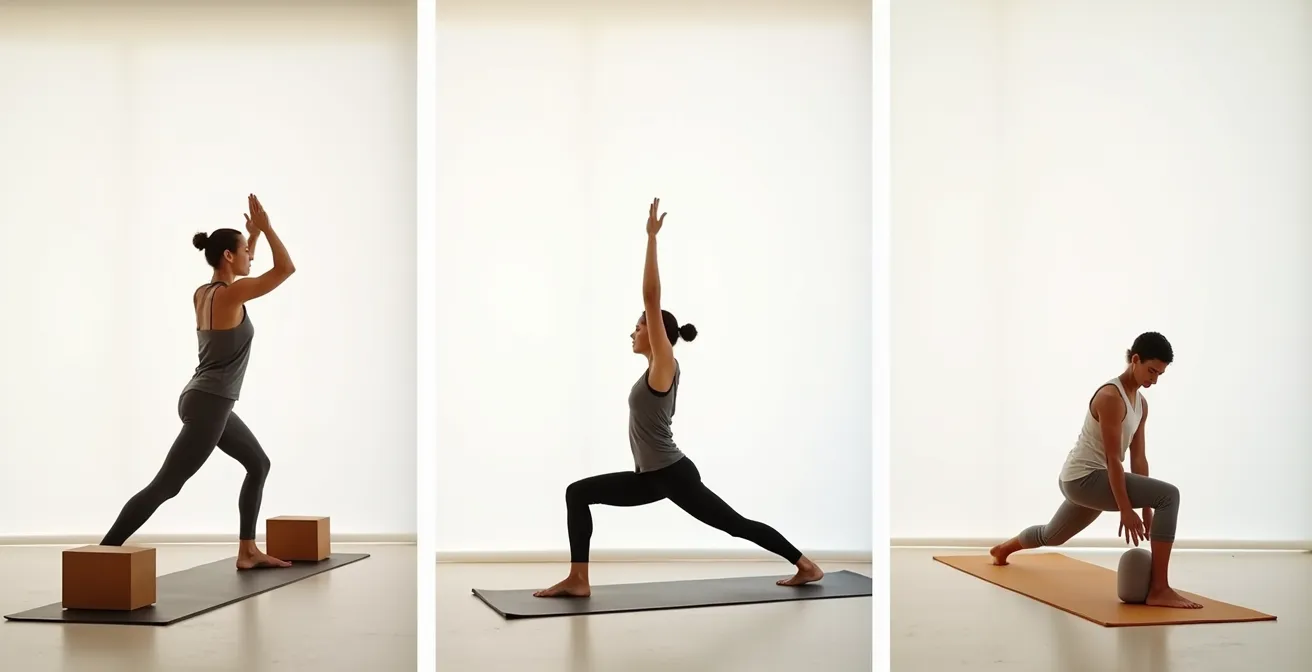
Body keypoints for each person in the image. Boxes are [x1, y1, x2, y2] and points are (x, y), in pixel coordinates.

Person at [534, 198, 824, 598]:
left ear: (655, 335)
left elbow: (651, 299)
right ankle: (579, 579)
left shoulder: (663, 367)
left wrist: (651, 240)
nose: (633, 333)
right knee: (578, 493)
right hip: (650, 478)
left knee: (735, 524)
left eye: (638, 328)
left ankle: (805, 565)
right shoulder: (652, 371)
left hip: (673, 475)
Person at [100, 194, 297, 570]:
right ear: (228, 256)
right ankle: (101, 555)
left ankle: (247, 551)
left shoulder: (204, 293)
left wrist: (251, 236)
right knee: (166, 486)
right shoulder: (234, 293)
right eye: (244, 252)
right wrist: (268, 227)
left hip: (203, 398)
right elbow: (285, 268)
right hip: (210, 403)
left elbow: (241, 268)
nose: (250, 257)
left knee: (258, 463)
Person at [989, 332, 1202, 609]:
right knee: (1170, 496)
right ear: (1135, 360)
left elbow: (1139, 458)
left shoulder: (1141, 403)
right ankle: (1159, 589)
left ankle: (1002, 549)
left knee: (1053, 535)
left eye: (1160, 374)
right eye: (1151, 370)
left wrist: (1147, 510)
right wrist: (1126, 509)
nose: (1154, 380)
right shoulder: (1110, 397)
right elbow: (1115, 459)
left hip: (1085, 479)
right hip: (1085, 479)